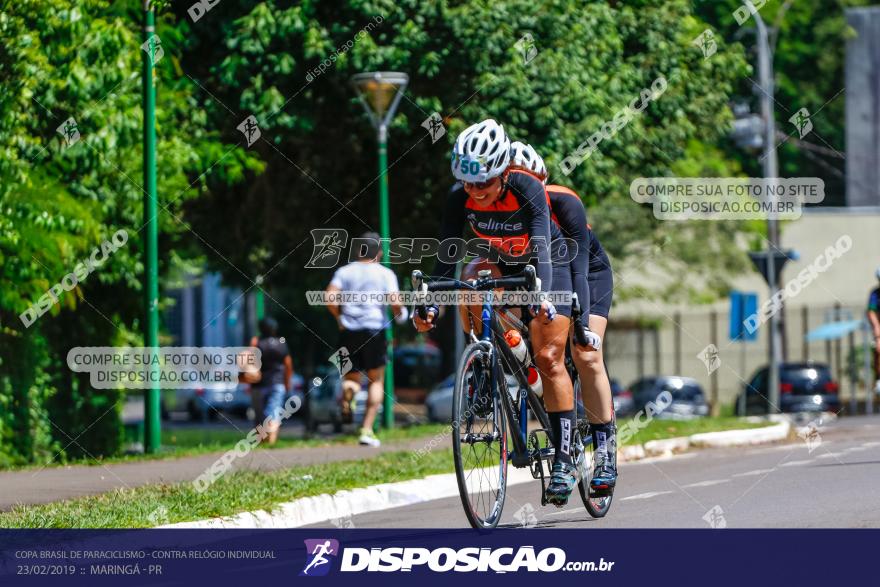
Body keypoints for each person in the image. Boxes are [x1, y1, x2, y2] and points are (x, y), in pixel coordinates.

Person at [413, 119, 579, 506]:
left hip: (548, 261)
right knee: (470, 278)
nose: (474, 191)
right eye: (467, 183)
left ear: (503, 171)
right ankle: (486, 368)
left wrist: (538, 293)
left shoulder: (527, 187)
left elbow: (541, 242)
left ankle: (565, 458)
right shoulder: (461, 197)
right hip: (504, 261)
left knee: (552, 357)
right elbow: (448, 254)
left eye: (483, 183)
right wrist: (430, 302)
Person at [508, 140, 617, 494]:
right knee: (540, 351)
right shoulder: (499, 210)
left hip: (586, 275)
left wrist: (581, 324)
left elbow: (580, 269)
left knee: (586, 354)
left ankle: (605, 451)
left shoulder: (563, 202)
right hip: (540, 278)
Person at [326, 231, 406, 447]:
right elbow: (395, 303)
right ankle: (366, 429)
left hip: (347, 332)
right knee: (376, 379)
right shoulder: (385, 274)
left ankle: (348, 393)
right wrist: (401, 316)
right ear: (378, 253)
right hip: (374, 331)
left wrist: (339, 317)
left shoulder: (344, 271)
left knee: (350, 378)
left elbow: (329, 298)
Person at [249, 317, 293, 445]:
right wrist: (287, 382)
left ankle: (262, 443)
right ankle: (271, 442)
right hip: (277, 383)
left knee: (259, 416)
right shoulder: (281, 343)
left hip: (258, 385)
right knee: (274, 413)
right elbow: (288, 365)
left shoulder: (257, 342)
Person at [868, 267, 880, 395]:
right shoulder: (875, 294)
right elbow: (871, 312)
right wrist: (877, 329)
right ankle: (878, 379)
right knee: (878, 349)